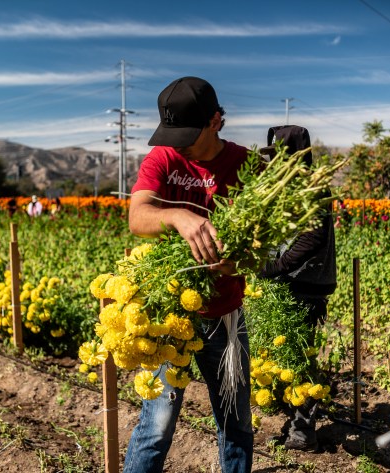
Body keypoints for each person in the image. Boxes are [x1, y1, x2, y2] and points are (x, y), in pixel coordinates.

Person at [124, 76, 253, 473]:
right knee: (157, 426)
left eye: (186, 133)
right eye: (170, 132)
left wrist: (240, 261)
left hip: (225, 315)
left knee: (236, 423)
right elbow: (137, 216)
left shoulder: (246, 165)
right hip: (171, 315)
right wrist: (178, 215)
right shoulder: (164, 158)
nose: (176, 142)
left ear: (215, 121)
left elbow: (265, 244)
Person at [259, 125, 337, 452]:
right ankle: (295, 422)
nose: (274, 163)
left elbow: (312, 237)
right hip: (292, 283)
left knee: (299, 358)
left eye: (278, 157)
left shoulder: (311, 188)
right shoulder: (289, 186)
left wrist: (276, 266)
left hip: (305, 284)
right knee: (287, 356)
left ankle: (303, 432)